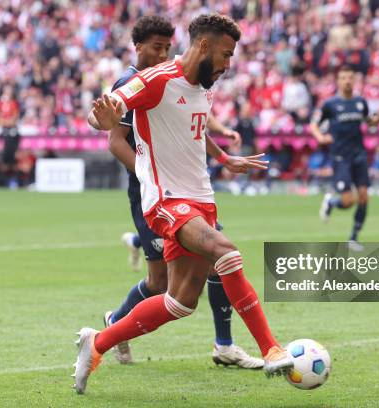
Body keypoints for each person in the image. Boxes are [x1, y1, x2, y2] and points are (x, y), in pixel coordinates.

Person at [74, 14, 293, 394]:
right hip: (165, 201)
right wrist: (103, 117)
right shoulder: (154, 79)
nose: (228, 65)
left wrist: (224, 158)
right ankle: (271, 349)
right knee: (226, 252)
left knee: (179, 301)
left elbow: (194, 124)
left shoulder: (204, 85)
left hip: (201, 199)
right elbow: (112, 108)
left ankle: (98, 342)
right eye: (226, 55)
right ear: (204, 47)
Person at [101, 15, 261, 369]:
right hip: (154, 191)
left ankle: (224, 345)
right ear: (137, 47)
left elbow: (193, 125)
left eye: (166, 48)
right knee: (160, 284)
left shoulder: (181, 79)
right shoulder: (132, 84)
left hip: (186, 193)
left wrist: (221, 156)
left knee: (220, 259)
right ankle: (115, 326)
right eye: (156, 47)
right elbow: (115, 140)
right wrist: (148, 176)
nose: (162, 54)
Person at [310, 65, 379, 251]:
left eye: (350, 77)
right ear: (338, 81)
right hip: (340, 156)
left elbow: (368, 122)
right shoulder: (330, 105)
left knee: (364, 197)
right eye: (343, 78)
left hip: (359, 154)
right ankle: (331, 202)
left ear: (355, 80)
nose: (347, 81)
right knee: (347, 201)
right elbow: (313, 125)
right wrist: (321, 138)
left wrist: (378, 120)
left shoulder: (360, 102)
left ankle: (353, 238)